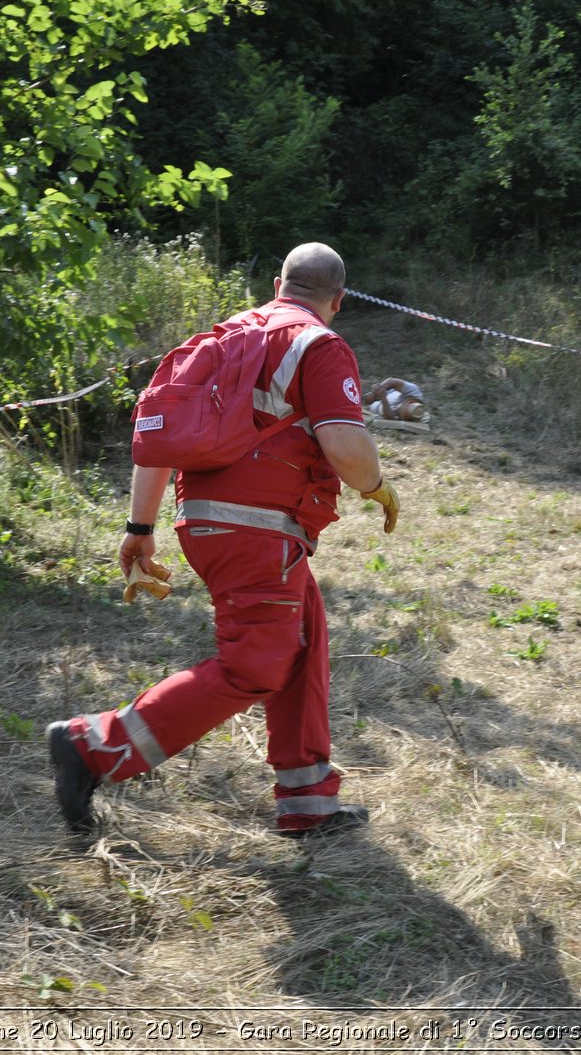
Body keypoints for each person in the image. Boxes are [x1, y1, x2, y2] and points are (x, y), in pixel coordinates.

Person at [47, 242, 401, 839]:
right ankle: (92, 746)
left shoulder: (225, 336)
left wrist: (140, 528)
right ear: (337, 300)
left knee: (303, 636)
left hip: (208, 522)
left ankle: (308, 801)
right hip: (257, 528)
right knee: (255, 664)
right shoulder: (320, 344)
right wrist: (379, 487)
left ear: (277, 283)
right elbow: (344, 444)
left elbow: (159, 437)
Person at [363, 377, 427, 423]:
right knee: (365, 398)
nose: (398, 409)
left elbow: (389, 418)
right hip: (384, 393)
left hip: (377, 406)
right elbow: (392, 381)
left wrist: (383, 398)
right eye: (400, 408)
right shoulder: (414, 391)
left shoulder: (412, 416)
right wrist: (374, 394)